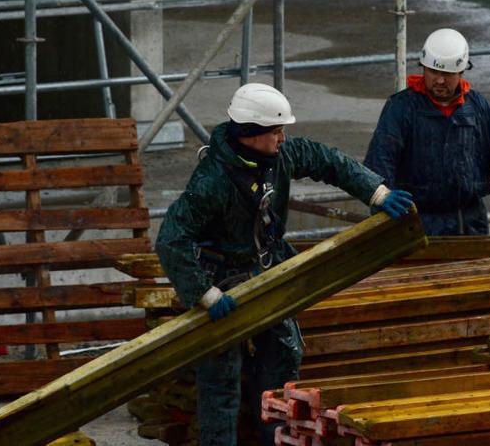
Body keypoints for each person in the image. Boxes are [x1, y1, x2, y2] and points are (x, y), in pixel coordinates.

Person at [155, 82, 413, 446]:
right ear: (250, 134)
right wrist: (204, 293)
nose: (282, 137)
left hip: (269, 268)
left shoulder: (282, 157)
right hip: (223, 279)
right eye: (275, 131)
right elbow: (170, 238)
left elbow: (328, 161)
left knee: (283, 361)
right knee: (221, 379)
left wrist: (377, 191)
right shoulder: (212, 180)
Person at [363, 28, 490, 236]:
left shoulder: (480, 109)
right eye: (434, 72)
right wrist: (382, 203)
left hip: (469, 224)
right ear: (424, 68)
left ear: (462, 72)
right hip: (414, 223)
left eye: (447, 74)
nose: (440, 80)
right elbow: (380, 159)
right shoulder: (401, 109)